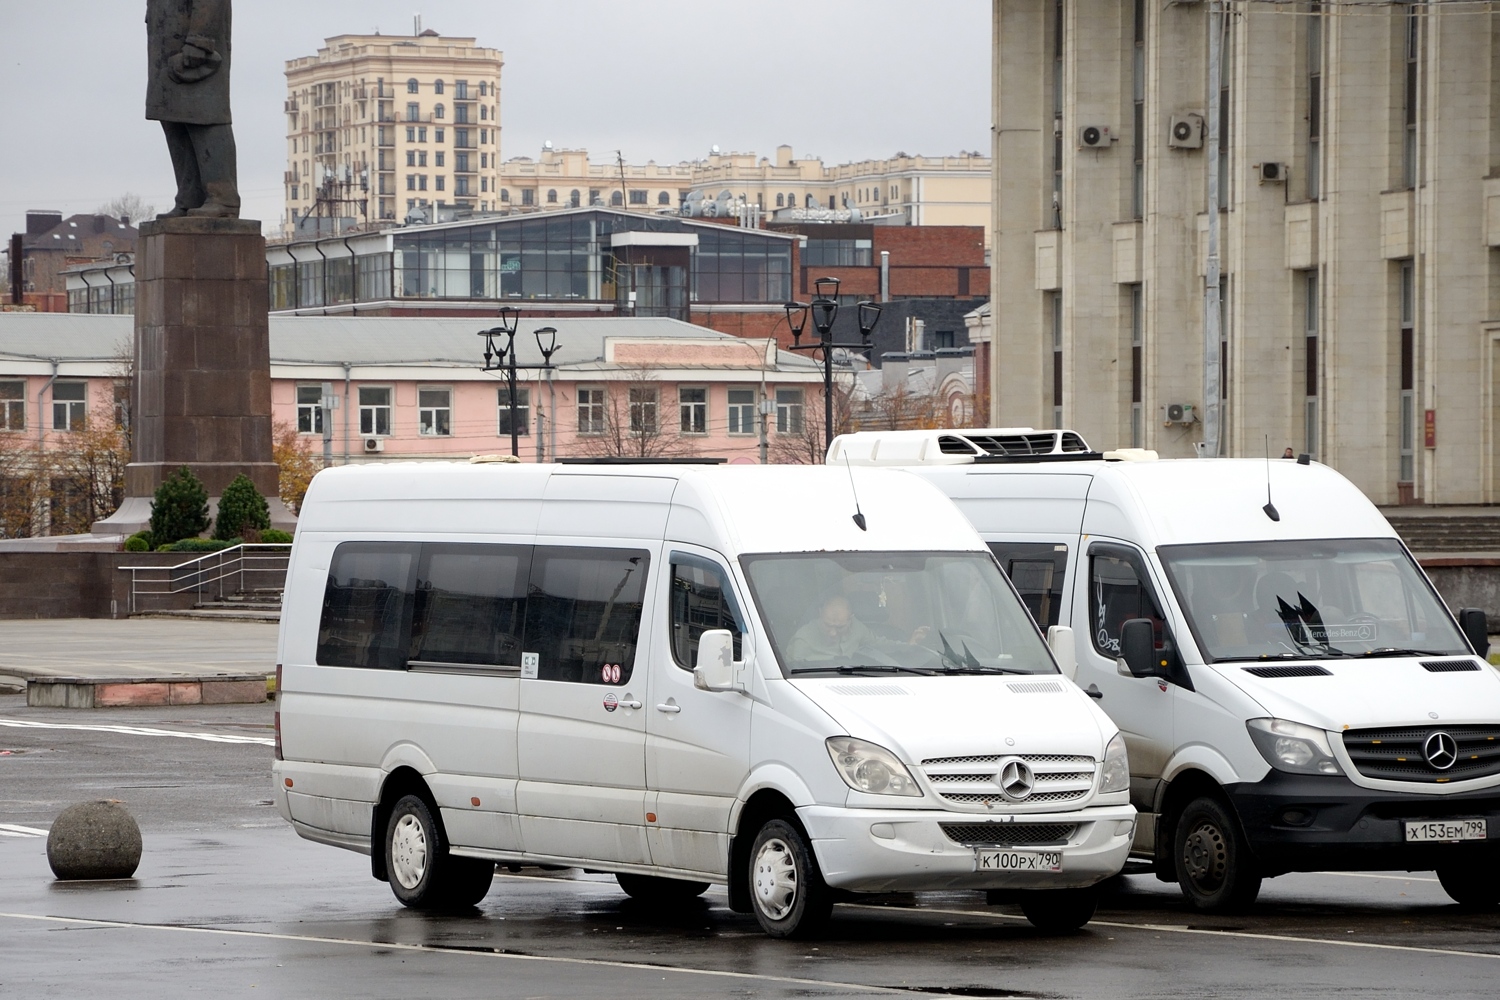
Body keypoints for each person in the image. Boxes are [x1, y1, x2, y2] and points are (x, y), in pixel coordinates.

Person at [146, 0, 242, 219]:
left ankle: (223, 198)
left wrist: (200, 41)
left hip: (195, 47)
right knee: (173, 119)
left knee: (205, 117)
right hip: (167, 44)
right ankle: (190, 197)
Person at [789, 596, 929, 664]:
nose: (833, 633)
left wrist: (909, 645)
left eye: (839, 627)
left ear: (851, 619)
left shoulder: (857, 628)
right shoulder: (802, 640)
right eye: (828, 625)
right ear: (820, 614)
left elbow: (879, 645)